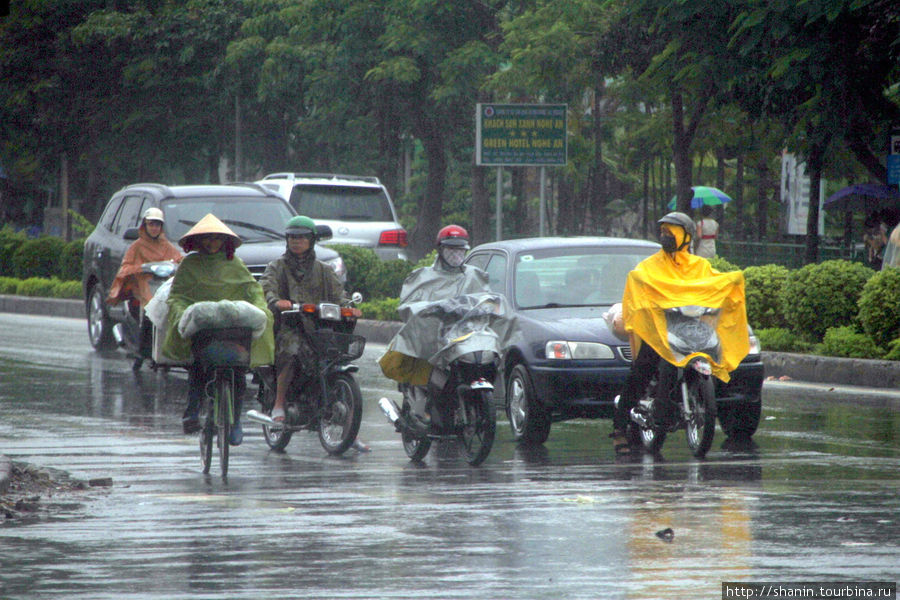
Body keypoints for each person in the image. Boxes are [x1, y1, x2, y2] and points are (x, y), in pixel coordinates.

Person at [609, 212, 748, 455]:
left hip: (691, 329)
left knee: (719, 359)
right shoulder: (649, 266)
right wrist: (639, 282)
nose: (665, 236)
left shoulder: (700, 266)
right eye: (663, 231)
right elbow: (638, 285)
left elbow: (713, 284)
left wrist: (733, 279)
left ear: (685, 236)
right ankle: (619, 427)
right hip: (661, 333)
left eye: (671, 231)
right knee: (641, 370)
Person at [162, 213, 274, 444]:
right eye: (207, 238)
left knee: (239, 374)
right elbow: (177, 297)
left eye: (217, 238)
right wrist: (184, 314)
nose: (212, 243)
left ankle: (235, 422)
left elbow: (253, 290)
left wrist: (261, 308)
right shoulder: (189, 264)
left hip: (234, 329)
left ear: (225, 242)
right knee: (198, 370)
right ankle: (192, 411)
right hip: (204, 330)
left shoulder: (236, 264)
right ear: (200, 241)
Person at [379, 224, 493, 426]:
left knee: (492, 351)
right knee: (429, 368)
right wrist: (432, 310)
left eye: (459, 250)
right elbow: (407, 306)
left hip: (465, 334)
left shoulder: (475, 275)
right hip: (434, 336)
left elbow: (487, 299)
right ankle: (424, 408)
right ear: (440, 249)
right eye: (451, 249)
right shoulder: (422, 276)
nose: (455, 254)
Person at [259, 215, 361, 422]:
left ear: (312, 240)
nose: (297, 242)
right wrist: (277, 301)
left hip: (321, 327)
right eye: (292, 237)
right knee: (292, 349)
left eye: (302, 238)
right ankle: (279, 403)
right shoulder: (276, 266)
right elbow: (267, 287)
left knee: (336, 356)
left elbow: (339, 294)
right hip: (290, 326)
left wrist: (348, 306)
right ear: (287, 240)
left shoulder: (324, 270)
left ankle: (350, 424)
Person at [106, 207, 182, 367]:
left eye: (157, 225)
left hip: (163, 287)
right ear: (145, 226)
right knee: (149, 313)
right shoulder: (136, 246)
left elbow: (179, 260)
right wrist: (141, 268)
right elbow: (124, 268)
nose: (154, 228)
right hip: (143, 287)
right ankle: (142, 350)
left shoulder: (166, 245)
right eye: (151, 224)